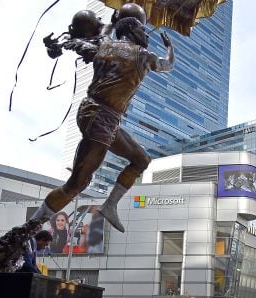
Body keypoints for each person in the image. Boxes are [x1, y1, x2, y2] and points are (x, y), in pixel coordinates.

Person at [31, 3, 175, 234]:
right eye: (142, 27)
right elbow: (167, 65)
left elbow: (100, 32)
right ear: (137, 30)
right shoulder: (144, 55)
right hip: (101, 117)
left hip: (101, 116)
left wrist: (113, 21)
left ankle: (110, 205)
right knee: (76, 184)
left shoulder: (105, 44)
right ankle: (31, 227)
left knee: (141, 160)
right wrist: (170, 48)